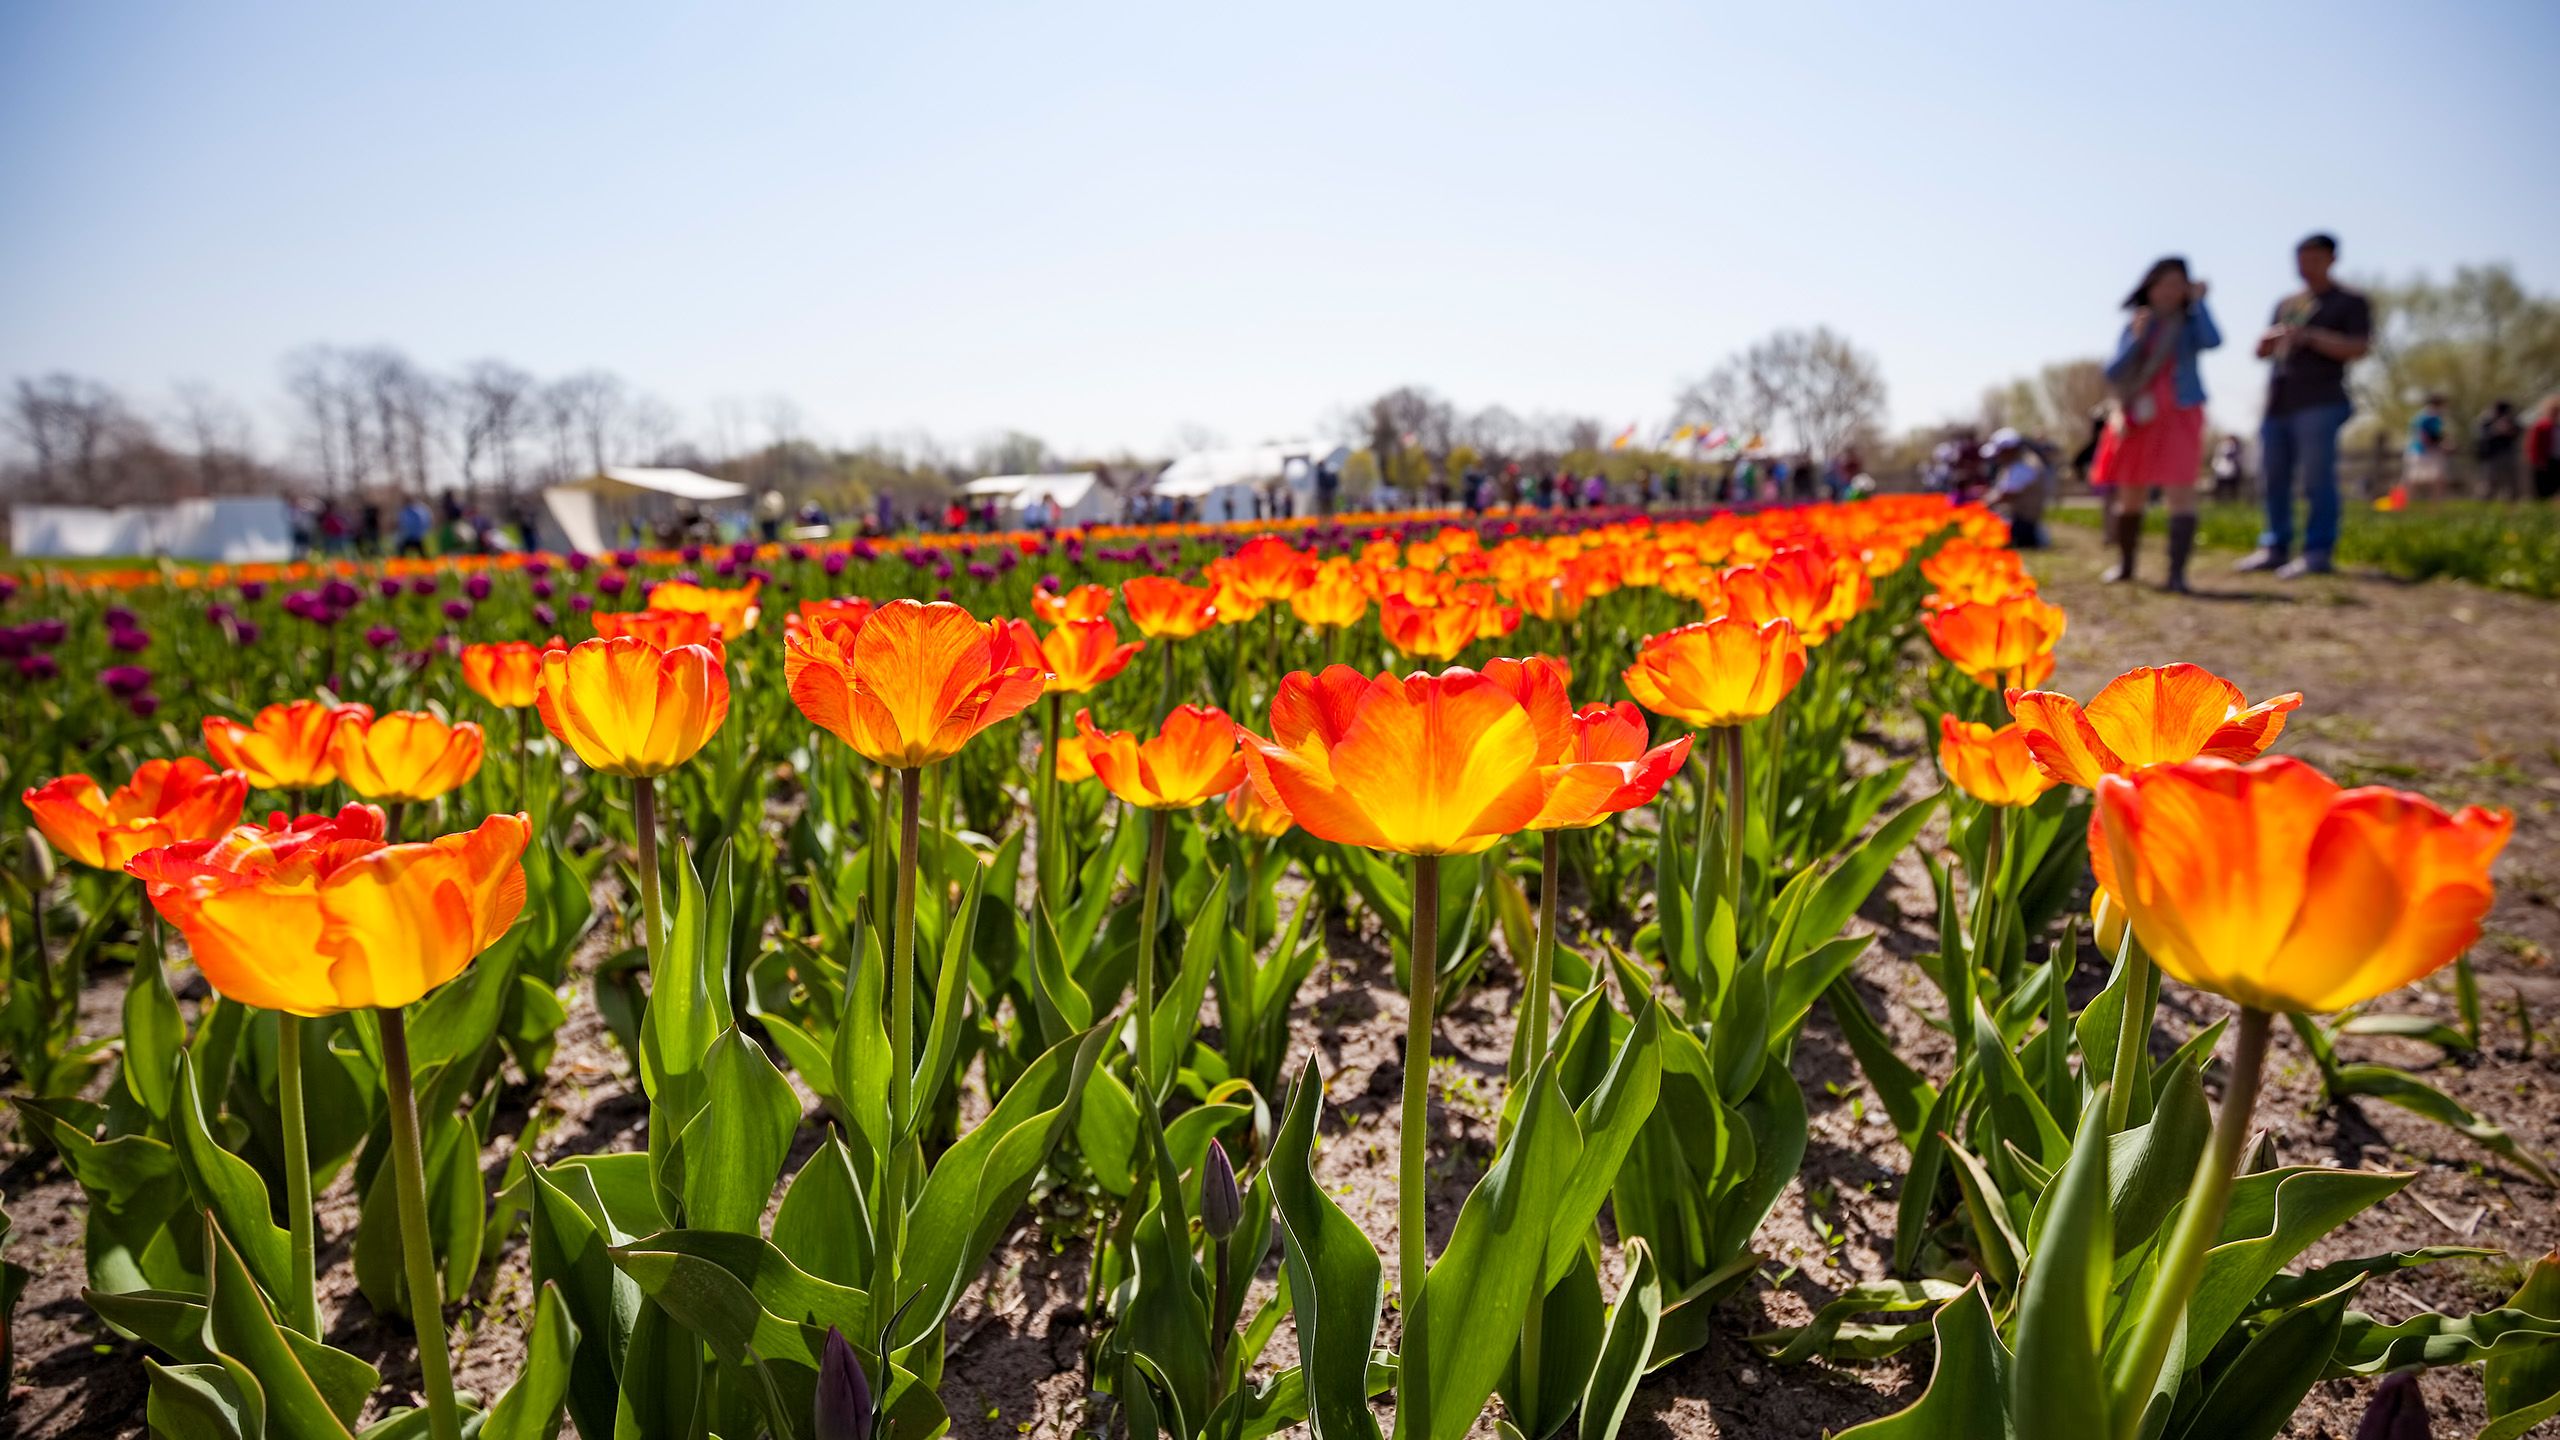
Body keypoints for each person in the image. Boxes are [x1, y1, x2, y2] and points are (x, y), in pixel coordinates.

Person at [2239, 233, 2372, 577]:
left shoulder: (2348, 301)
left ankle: (2317, 552)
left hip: (2320, 400)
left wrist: (2310, 337)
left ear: (2331, 259)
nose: (2305, 267)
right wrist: (2267, 343)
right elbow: (2261, 352)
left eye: (2313, 259)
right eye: (2300, 259)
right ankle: (2275, 546)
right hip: (2279, 401)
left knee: (2316, 478)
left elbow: (2358, 347)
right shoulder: (2288, 304)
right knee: (2273, 477)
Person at [2091, 256, 2221, 591]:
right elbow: (2114, 371)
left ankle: (2177, 575)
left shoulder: (2190, 325)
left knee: (2181, 488)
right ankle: (2126, 564)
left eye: (2179, 284)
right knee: (2131, 490)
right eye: (2163, 283)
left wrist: (2200, 303)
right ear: (2149, 287)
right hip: (2139, 414)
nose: (2170, 291)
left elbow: (2213, 340)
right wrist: (2137, 337)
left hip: (2180, 411)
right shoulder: (2136, 323)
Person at [1982, 429, 2053, 548]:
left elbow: (2006, 495)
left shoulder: (2023, 466)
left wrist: (1978, 505)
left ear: (2009, 449)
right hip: (2020, 521)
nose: (1997, 457)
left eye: (2000, 452)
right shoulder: (2017, 463)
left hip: (2022, 525)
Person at [2473, 399, 2522, 500]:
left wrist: (2510, 429)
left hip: (2508, 453)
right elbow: (2480, 438)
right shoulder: (2486, 420)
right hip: (2491, 455)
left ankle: (2512, 502)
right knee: (2489, 482)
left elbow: (2519, 431)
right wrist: (2495, 430)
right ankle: (2485, 502)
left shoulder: (2511, 420)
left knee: (2511, 481)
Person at [2405, 395, 2451, 499]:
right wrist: (2441, 445)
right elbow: (2422, 435)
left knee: (2437, 478)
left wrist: (2444, 442)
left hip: (2428, 451)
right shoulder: (2428, 416)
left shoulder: (2434, 417)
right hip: (2421, 451)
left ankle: (2434, 505)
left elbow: (2438, 434)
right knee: (2415, 479)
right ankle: (2406, 504)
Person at [2526, 395, 2560, 502]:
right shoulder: (2541, 426)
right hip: (2545, 462)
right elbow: (2533, 446)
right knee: (2544, 489)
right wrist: (2538, 461)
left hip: (2557, 460)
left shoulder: (2557, 427)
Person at [2210, 436, 2247, 502]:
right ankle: (2220, 501)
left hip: (2232, 471)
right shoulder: (2222, 447)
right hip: (2221, 470)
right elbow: (2217, 458)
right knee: (2221, 488)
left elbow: (2239, 459)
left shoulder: (2237, 448)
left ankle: (2232, 501)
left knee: (2232, 488)